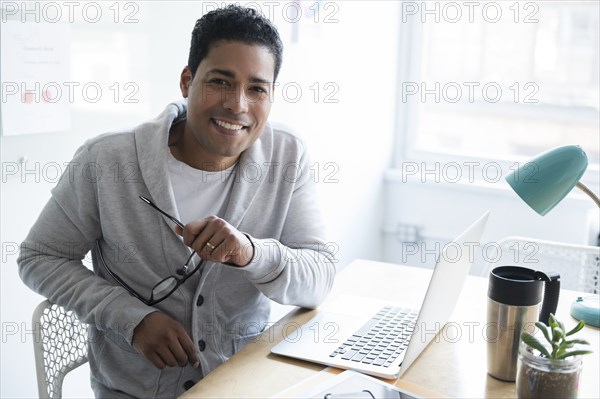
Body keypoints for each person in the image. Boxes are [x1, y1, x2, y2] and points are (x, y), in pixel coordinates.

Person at [18, 5, 336, 398]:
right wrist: (131, 320)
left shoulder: (288, 156)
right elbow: (39, 257)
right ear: (187, 81)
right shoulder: (106, 160)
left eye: (257, 88)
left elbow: (319, 278)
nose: (237, 105)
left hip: (242, 385)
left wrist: (251, 253)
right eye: (220, 81)